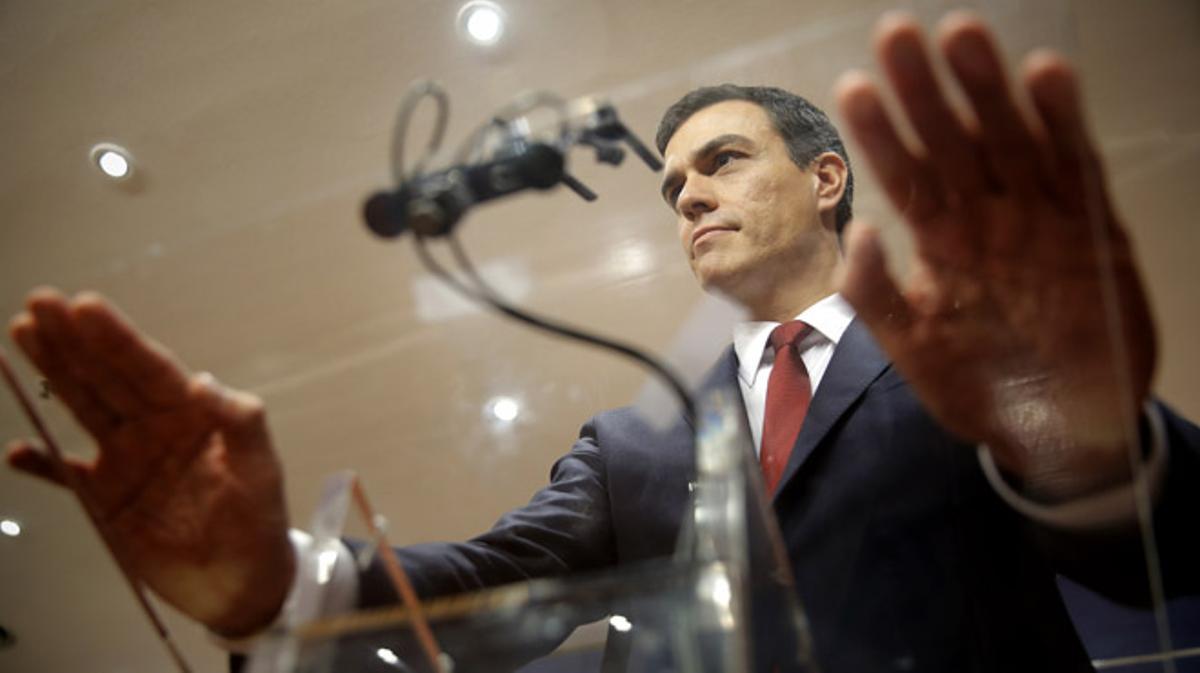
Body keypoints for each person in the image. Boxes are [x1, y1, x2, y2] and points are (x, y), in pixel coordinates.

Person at [6, 11, 1199, 673]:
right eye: (673, 185)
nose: (688, 196)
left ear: (827, 179)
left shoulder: (955, 366)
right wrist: (269, 582)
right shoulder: (635, 444)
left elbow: (1168, 553)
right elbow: (482, 584)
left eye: (722, 161)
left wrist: (1086, 440)